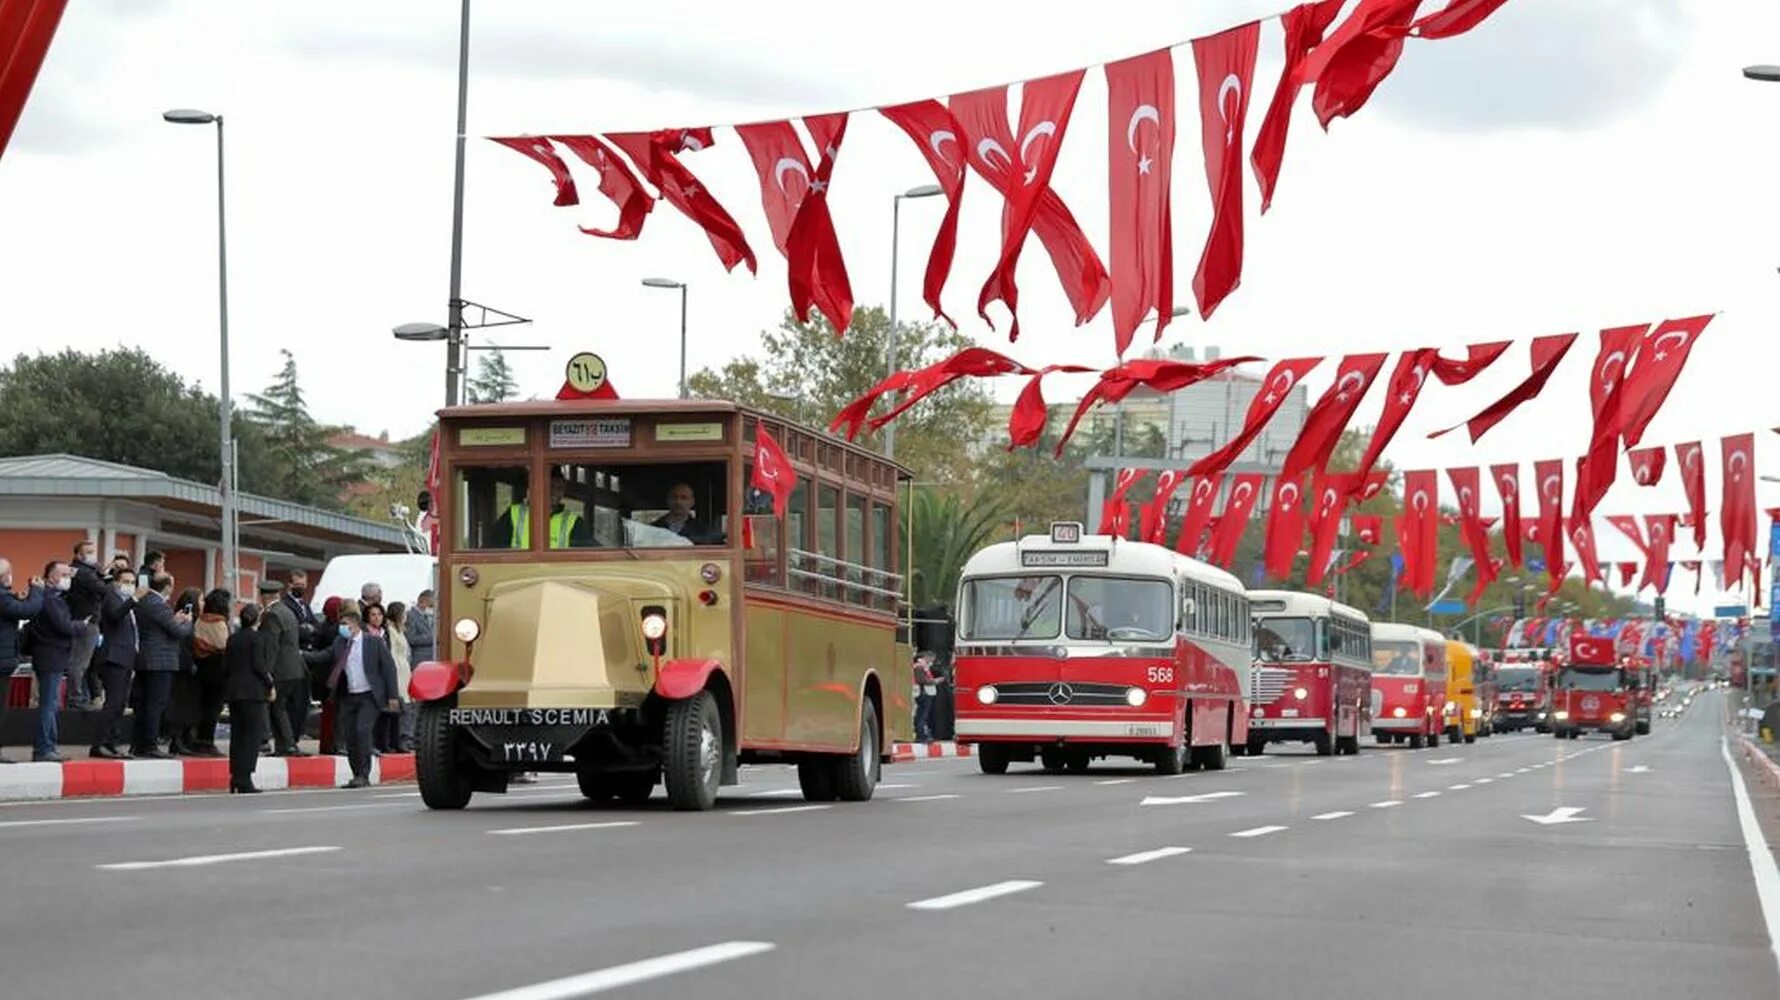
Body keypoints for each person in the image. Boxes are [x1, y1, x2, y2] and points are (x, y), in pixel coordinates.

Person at [328, 609, 399, 789]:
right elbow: (326, 655)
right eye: (341, 625)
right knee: (350, 735)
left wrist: (392, 696)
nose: (342, 628)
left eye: (346, 625)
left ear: (356, 625)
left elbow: (389, 668)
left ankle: (364, 774)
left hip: (370, 695)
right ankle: (356, 774)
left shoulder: (373, 642)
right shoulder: (340, 643)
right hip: (349, 695)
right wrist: (302, 656)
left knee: (362, 730)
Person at [130, 573, 192, 759]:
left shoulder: (144, 602)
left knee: (143, 704)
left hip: (144, 659)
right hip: (160, 661)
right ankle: (150, 744)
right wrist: (187, 623)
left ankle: (139, 743)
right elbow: (177, 632)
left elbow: (161, 626)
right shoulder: (159, 605)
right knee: (156, 704)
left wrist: (174, 618)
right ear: (167, 587)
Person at [29, 562, 84, 762]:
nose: (68, 578)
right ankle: (44, 748)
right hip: (50, 655)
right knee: (48, 705)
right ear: (51, 576)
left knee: (51, 704)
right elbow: (64, 626)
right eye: (64, 574)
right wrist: (80, 625)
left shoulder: (55, 597)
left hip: (52, 655)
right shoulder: (49, 598)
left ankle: (48, 746)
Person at [224, 602, 274, 793]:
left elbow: (226, 666)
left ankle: (235, 776)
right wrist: (270, 684)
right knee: (251, 736)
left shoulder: (233, 638)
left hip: (234, 692)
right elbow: (259, 666)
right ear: (257, 619)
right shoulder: (257, 638)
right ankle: (245, 777)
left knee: (237, 736)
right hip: (253, 692)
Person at [257, 581, 311, 757]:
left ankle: (287, 745)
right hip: (294, 669)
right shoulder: (287, 611)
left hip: (281, 670)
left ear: (264, 597)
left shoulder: (271, 615)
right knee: (282, 707)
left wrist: (267, 672)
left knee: (277, 708)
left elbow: (271, 647)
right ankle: (286, 745)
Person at [91, 567, 141, 759]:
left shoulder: (128, 605)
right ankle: (100, 743)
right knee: (113, 703)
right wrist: (134, 599)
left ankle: (112, 742)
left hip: (127, 657)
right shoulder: (112, 598)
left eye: (132, 581)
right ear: (116, 582)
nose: (129, 585)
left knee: (120, 704)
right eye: (125, 581)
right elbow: (114, 616)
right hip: (114, 657)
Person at [0, 560, 45, 764]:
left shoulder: (5, 597)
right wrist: (37, 590)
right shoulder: (2, 596)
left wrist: (19, 599)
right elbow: (29, 611)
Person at [177, 589, 231, 757]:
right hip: (218, 669)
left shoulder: (200, 621)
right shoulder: (220, 623)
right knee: (213, 708)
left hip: (201, 667)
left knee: (201, 705)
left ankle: (195, 738)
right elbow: (224, 646)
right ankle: (206, 741)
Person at [493, 470, 592, 549]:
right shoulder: (514, 514)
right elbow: (491, 548)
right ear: (540, 487)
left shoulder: (573, 521)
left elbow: (593, 552)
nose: (555, 492)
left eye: (560, 488)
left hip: (556, 574)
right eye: (551, 487)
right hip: (521, 573)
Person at [65, 539, 106, 709]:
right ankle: (76, 698)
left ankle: (81, 696)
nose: (92, 555)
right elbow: (102, 590)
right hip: (86, 621)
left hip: (83, 619)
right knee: (79, 663)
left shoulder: (84, 571)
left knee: (82, 662)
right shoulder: (84, 573)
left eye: (92, 551)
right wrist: (103, 576)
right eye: (88, 552)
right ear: (78, 555)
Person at [381, 602, 413, 753]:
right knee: (400, 705)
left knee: (406, 704)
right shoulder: (391, 630)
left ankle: (404, 738)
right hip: (397, 670)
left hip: (405, 670)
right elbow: (392, 652)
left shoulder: (401, 630)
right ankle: (400, 739)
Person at [404, 589, 437, 666]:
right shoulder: (410, 616)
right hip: (420, 661)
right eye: (431, 605)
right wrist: (433, 638)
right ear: (423, 601)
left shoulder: (429, 616)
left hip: (432, 660)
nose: (432, 608)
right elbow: (411, 639)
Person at [912, 652, 938, 743]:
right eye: (929, 658)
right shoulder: (919, 667)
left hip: (923, 693)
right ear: (921, 658)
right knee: (922, 715)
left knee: (921, 714)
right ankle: (921, 735)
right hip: (923, 693)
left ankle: (921, 734)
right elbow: (921, 680)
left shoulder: (923, 667)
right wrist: (934, 681)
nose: (931, 661)